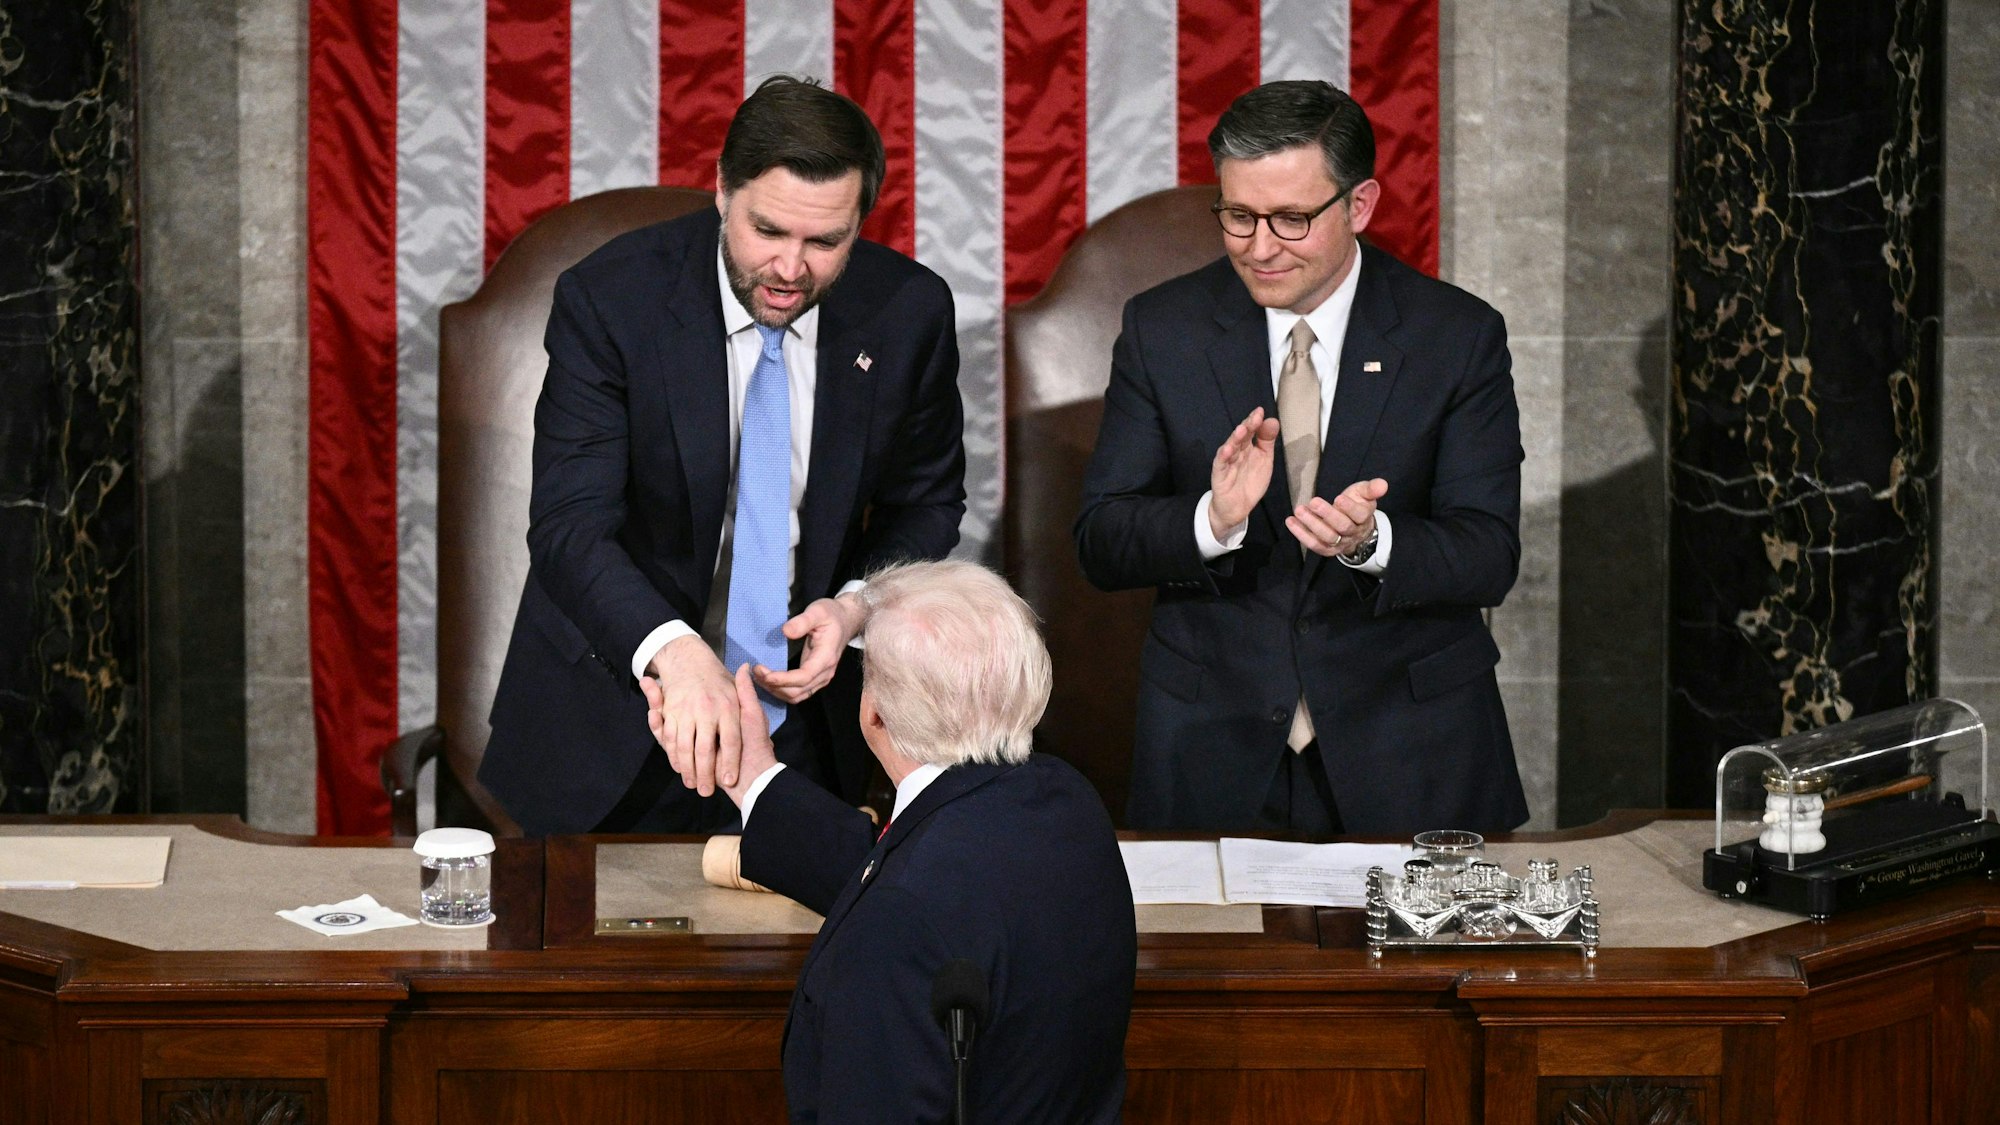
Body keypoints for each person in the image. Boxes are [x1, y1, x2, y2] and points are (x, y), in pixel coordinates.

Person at [480, 76, 966, 836]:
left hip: (807, 730)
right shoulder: (613, 301)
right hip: (616, 718)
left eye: (825, 241)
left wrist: (857, 604)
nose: (790, 268)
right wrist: (673, 650)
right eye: (768, 231)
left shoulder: (908, 312)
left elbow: (927, 502)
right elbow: (570, 527)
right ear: (720, 191)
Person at [1074, 79, 1528, 836]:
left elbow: (1490, 552)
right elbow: (1101, 539)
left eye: (1291, 219)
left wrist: (1371, 542)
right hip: (1211, 753)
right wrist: (1211, 521)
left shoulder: (1456, 336)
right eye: (1239, 216)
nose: (1259, 246)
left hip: (1410, 749)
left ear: (1360, 205)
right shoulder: (1164, 330)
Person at [709, 560, 1134, 1123]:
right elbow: (927, 879)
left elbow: (912, 907)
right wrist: (754, 779)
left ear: (876, 714)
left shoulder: (903, 918)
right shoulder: (1066, 800)